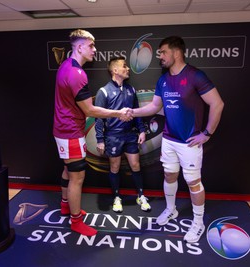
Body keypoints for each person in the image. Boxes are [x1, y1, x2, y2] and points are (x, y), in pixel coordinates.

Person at [131, 36, 224, 243]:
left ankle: (198, 222)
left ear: (176, 52)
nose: (160, 56)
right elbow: (154, 107)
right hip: (169, 139)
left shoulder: (195, 76)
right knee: (169, 175)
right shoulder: (163, 80)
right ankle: (170, 210)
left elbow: (217, 104)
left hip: (189, 142)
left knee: (193, 182)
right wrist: (132, 112)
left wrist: (207, 133)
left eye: (163, 52)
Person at [53, 29, 132, 236]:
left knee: (68, 169)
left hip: (64, 129)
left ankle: (65, 205)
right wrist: (118, 113)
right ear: (79, 47)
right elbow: (89, 110)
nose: (95, 50)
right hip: (70, 131)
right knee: (77, 177)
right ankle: (76, 220)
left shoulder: (66, 65)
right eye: (91, 46)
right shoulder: (76, 73)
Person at [94, 56, 151, 213]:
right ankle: (117, 197)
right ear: (115, 70)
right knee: (115, 167)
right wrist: (100, 140)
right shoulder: (104, 91)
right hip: (113, 136)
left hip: (130, 135)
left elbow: (136, 112)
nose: (128, 69)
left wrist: (141, 130)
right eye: (124, 66)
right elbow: (99, 117)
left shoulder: (131, 89)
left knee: (135, 165)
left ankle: (141, 195)